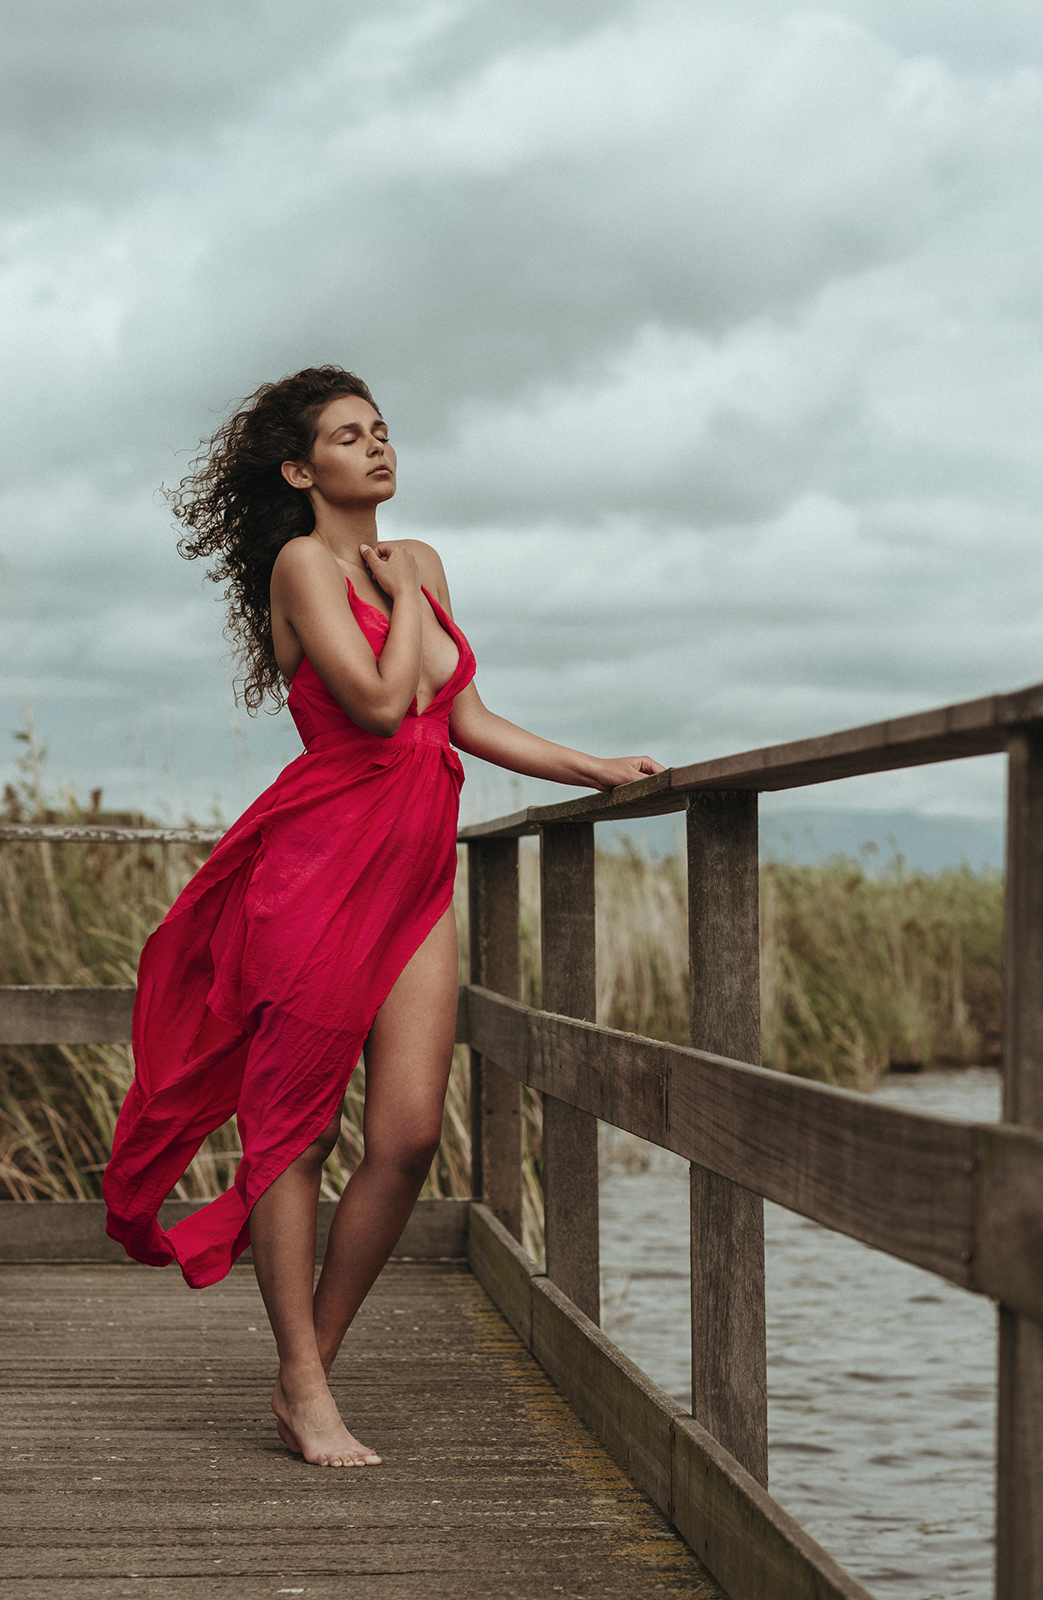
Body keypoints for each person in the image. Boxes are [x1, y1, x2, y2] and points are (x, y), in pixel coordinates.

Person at [102, 365, 663, 1470]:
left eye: (383, 430)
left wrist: (592, 767)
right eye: (348, 437)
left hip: (412, 872)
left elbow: (463, 718)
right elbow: (377, 700)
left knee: (406, 1135)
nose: (377, 447)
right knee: (296, 1129)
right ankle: (308, 1390)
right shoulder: (307, 565)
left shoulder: (427, 559)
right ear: (302, 469)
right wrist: (403, 593)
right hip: (318, 867)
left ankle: (308, 1364)